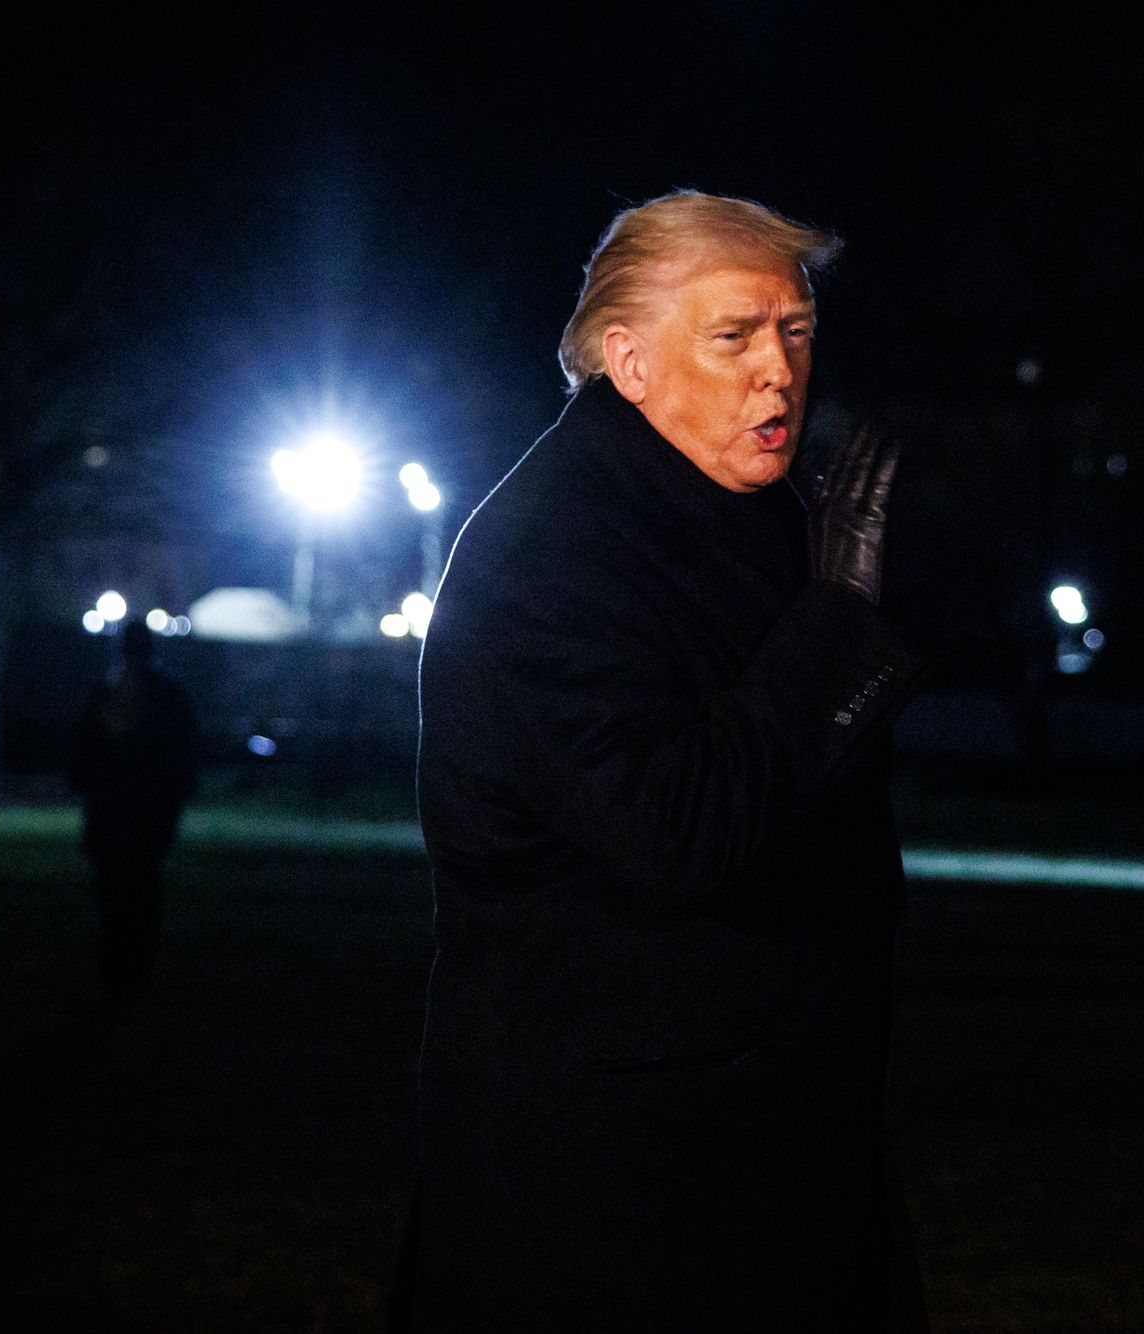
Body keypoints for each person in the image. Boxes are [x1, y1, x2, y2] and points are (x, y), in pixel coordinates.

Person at [394, 191, 930, 1331]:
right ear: (625, 361)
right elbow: (675, 825)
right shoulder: (549, 555)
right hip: (614, 1188)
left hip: (764, 1151)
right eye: (731, 336)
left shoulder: (743, 515)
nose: (776, 373)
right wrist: (834, 617)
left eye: (792, 331)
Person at [69, 619, 197, 1000]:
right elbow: (183, 760)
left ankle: (119, 972)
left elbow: (81, 756)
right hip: (144, 818)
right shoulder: (167, 698)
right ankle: (132, 971)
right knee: (139, 895)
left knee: (116, 898)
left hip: (116, 816)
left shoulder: (106, 696)